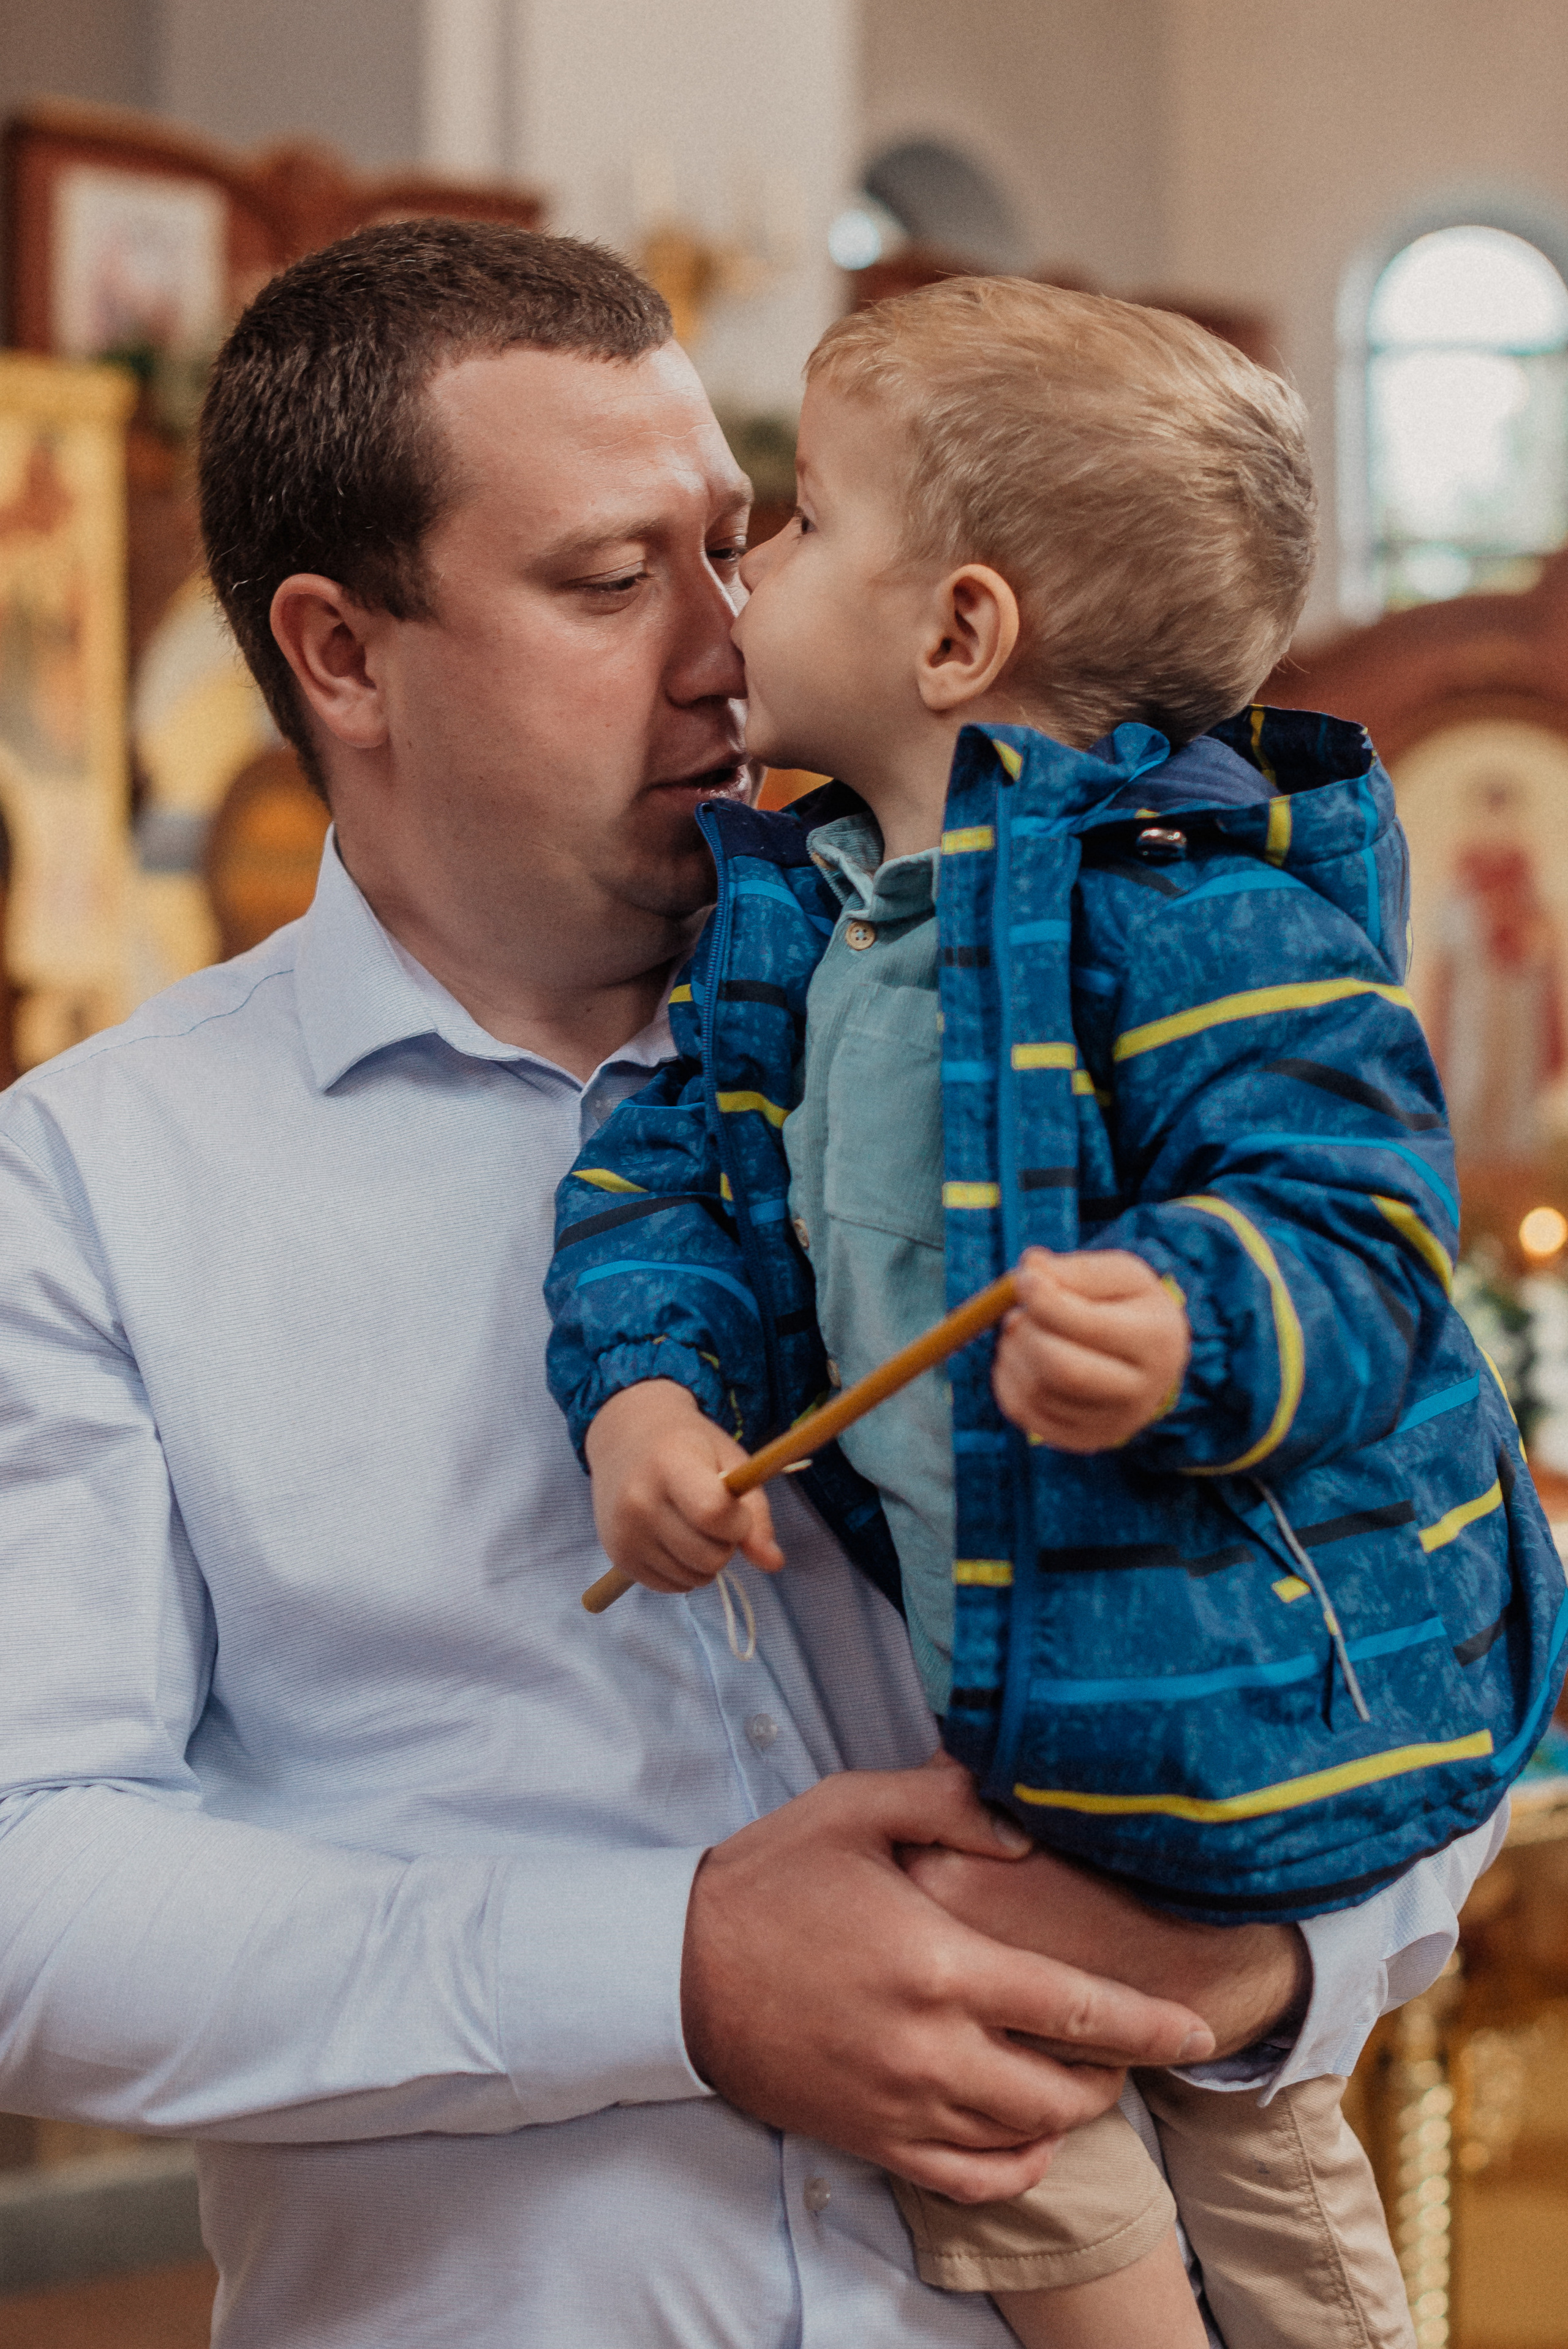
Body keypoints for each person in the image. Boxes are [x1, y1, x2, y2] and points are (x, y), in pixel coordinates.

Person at [0, 225, 1501, 2349]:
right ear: (343, 655)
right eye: (614, 581)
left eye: (741, 540)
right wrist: (674, 1971)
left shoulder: (1069, 999)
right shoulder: (88, 1183)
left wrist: (1254, 1957)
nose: (727, 640)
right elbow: (32, 1897)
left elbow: (1427, 1586)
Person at [547, 278, 1567, 2347]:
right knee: (1006, 2106)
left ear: (959, 635)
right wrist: (646, 1395)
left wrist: (1192, 1323)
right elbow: (670, 1182)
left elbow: (1360, 1237)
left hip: (1226, 1680)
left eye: (802, 521)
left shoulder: (1205, 912)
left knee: (1223, 2148)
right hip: (1011, 1692)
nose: (747, 573)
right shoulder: (798, 913)